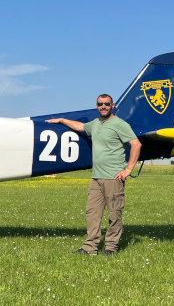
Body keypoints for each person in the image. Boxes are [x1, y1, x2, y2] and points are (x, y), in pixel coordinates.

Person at [46, 94, 141, 255]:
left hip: (113, 177)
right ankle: (90, 248)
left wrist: (128, 170)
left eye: (106, 104)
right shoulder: (96, 124)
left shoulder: (119, 124)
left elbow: (136, 144)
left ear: (112, 105)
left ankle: (111, 247)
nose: (103, 106)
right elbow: (80, 126)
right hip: (96, 178)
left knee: (114, 214)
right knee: (92, 213)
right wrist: (62, 120)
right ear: (97, 106)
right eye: (100, 104)